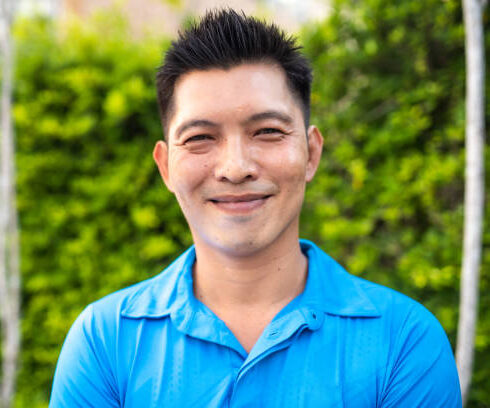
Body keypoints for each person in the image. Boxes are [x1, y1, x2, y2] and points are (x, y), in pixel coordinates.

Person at [49, 9, 462, 407]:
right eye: (199, 138)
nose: (235, 168)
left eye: (267, 131)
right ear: (166, 166)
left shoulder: (403, 341)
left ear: (311, 152)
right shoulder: (105, 343)